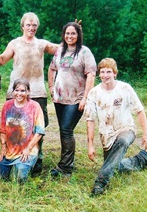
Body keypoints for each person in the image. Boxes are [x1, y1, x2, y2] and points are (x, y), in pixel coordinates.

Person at [0, 12, 59, 174]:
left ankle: (36, 161)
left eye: (34, 25)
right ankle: (13, 155)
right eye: (28, 25)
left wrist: (76, 32)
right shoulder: (15, 44)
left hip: (37, 92)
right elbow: (0, 61)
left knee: (38, 128)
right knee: (14, 127)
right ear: (22, 26)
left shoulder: (42, 44)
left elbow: (63, 47)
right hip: (16, 92)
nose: (31, 28)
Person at [85, 58, 147, 196]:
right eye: (102, 72)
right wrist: (90, 145)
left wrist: (146, 134)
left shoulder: (125, 88)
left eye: (109, 71)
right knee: (114, 165)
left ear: (115, 73)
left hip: (126, 129)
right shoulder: (94, 93)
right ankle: (141, 160)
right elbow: (90, 119)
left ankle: (100, 183)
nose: (105, 75)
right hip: (106, 136)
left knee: (122, 142)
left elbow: (139, 110)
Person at [48, 22, 97, 178]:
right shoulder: (60, 51)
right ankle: (65, 163)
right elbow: (51, 68)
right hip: (59, 98)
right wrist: (51, 87)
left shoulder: (84, 52)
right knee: (64, 130)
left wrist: (85, 97)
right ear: (63, 35)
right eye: (67, 33)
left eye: (73, 33)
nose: (70, 36)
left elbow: (91, 74)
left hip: (76, 99)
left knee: (67, 129)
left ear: (78, 35)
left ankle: (66, 168)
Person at [0, 78, 45, 182]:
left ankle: (29, 166)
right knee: (0, 176)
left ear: (28, 92)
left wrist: (28, 149)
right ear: (13, 91)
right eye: (17, 90)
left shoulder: (34, 106)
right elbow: (2, 130)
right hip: (10, 150)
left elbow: (39, 131)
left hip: (27, 150)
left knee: (18, 178)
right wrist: (3, 148)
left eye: (23, 91)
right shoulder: (7, 105)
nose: (19, 93)